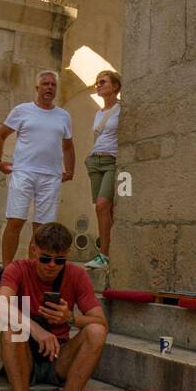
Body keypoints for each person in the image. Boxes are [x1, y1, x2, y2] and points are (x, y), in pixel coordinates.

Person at [0, 221, 107, 391]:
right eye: (45, 258)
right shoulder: (17, 268)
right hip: (24, 354)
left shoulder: (76, 275)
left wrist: (70, 318)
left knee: (96, 332)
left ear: (66, 255)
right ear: (34, 249)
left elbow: (100, 321)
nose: (51, 265)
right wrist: (36, 330)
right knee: (12, 327)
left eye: (59, 260)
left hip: (59, 356)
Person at [0, 71, 76, 266]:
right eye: (45, 84)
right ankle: (7, 270)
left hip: (50, 177)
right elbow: (0, 136)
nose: (49, 87)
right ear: (37, 88)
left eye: (53, 84)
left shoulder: (63, 116)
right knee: (15, 221)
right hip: (23, 172)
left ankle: (32, 271)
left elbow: (68, 145)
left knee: (42, 229)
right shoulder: (22, 110)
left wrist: (70, 171)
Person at [85, 69, 121, 268]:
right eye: (97, 83)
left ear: (115, 86)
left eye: (103, 82)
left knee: (102, 205)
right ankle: (110, 254)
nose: (98, 85)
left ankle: (104, 255)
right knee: (103, 210)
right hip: (95, 161)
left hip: (111, 160)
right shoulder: (98, 113)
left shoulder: (121, 109)